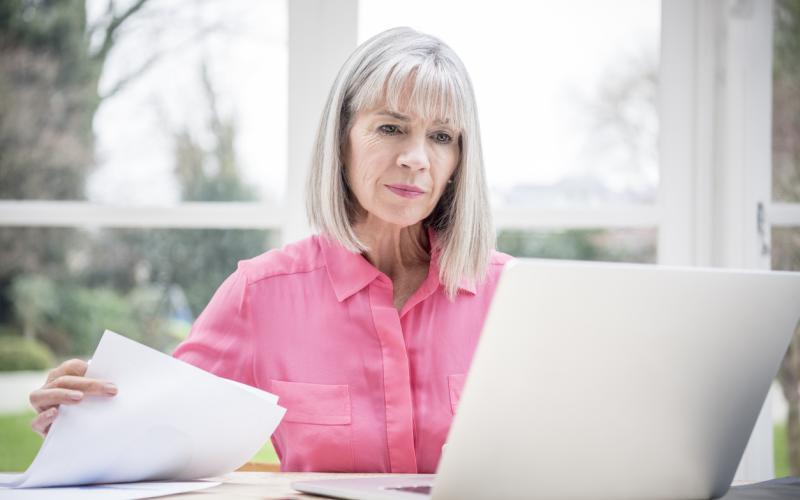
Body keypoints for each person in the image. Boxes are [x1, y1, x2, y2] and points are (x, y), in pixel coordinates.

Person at [28, 27, 512, 473]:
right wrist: (78, 413)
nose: (416, 158)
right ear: (340, 140)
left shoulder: (514, 297)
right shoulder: (260, 293)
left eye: (442, 137)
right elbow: (152, 430)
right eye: (390, 128)